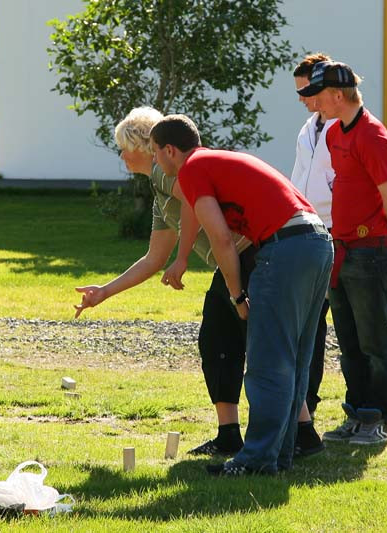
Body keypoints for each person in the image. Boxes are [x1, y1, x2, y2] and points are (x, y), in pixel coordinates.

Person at [150, 115, 333, 476]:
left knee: (267, 362)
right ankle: (279, 455)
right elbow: (192, 213)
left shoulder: (192, 169)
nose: (154, 160)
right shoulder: (210, 163)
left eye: (155, 152)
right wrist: (182, 258)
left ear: (170, 150)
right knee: (294, 359)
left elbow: (221, 240)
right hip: (316, 242)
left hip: (284, 249)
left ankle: (255, 460)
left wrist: (237, 296)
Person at [73, 106, 256, 456]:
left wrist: (182, 258)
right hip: (230, 264)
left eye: (123, 148)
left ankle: (293, 431)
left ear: (141, 146)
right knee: (216, 340)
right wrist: (104, 292)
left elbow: (191, 198)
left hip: (247, 257)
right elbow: (153, 259)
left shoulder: (164, 173)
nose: (121, 156)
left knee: (257, 344)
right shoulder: (159, 190)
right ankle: (229, 434)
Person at [296, 60, 387, 445]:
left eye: (318, 95)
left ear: (337, 95)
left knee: (373, 340)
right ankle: (356, 412)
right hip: (339, 247)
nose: (313, 102)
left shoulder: (373, 136)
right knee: (348, 341)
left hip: (370, 252)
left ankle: (376, 417)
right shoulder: (334, 133)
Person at [289, 53, 338, 457]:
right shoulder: (308, 127)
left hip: (338, 231)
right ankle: (307, 403)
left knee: (352, 327)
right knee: (312, 324)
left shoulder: (344, 126)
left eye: (307, 91)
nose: (303, 99)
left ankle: (367, 413)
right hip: (307, 229)